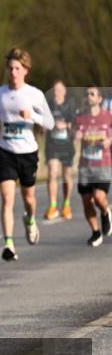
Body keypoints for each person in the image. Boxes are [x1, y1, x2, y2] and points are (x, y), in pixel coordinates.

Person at [0, 48, 54, 261]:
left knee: (29, 198)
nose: (13, 72)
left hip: (28, 153)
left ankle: (30, 219)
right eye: (10, 68)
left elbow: (49, 122)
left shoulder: (35, 94)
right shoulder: (0, 92)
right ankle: (9, 244)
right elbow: (2, 113)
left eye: (17, 69)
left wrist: (31, 115)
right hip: (6, 152)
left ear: (25, 70)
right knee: (7, 198)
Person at [74, 87, 112, 247]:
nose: (89, 96)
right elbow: (73, 133)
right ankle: (96, 233)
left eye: (92, 94)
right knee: (86, 201)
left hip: (103, 165)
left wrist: (109, 140)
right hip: (85, 166)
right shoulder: (80, 117)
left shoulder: (108, 116)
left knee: (98, 197)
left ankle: (105, 211)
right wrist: (75, 135)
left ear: (99, 99)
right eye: (87, 94)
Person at [44, 80, 77, 220]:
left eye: (59, 90)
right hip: (52, 144)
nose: (56, 92)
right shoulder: (49, 105)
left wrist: (64, 125)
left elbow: (76, 123)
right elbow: (43, 122)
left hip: (67, 145)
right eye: (54, 90)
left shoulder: (70, 105)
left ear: (64, 91)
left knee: (66, 176)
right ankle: (52, 205)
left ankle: (66, 204)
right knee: (52, 172)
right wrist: (45, 126)